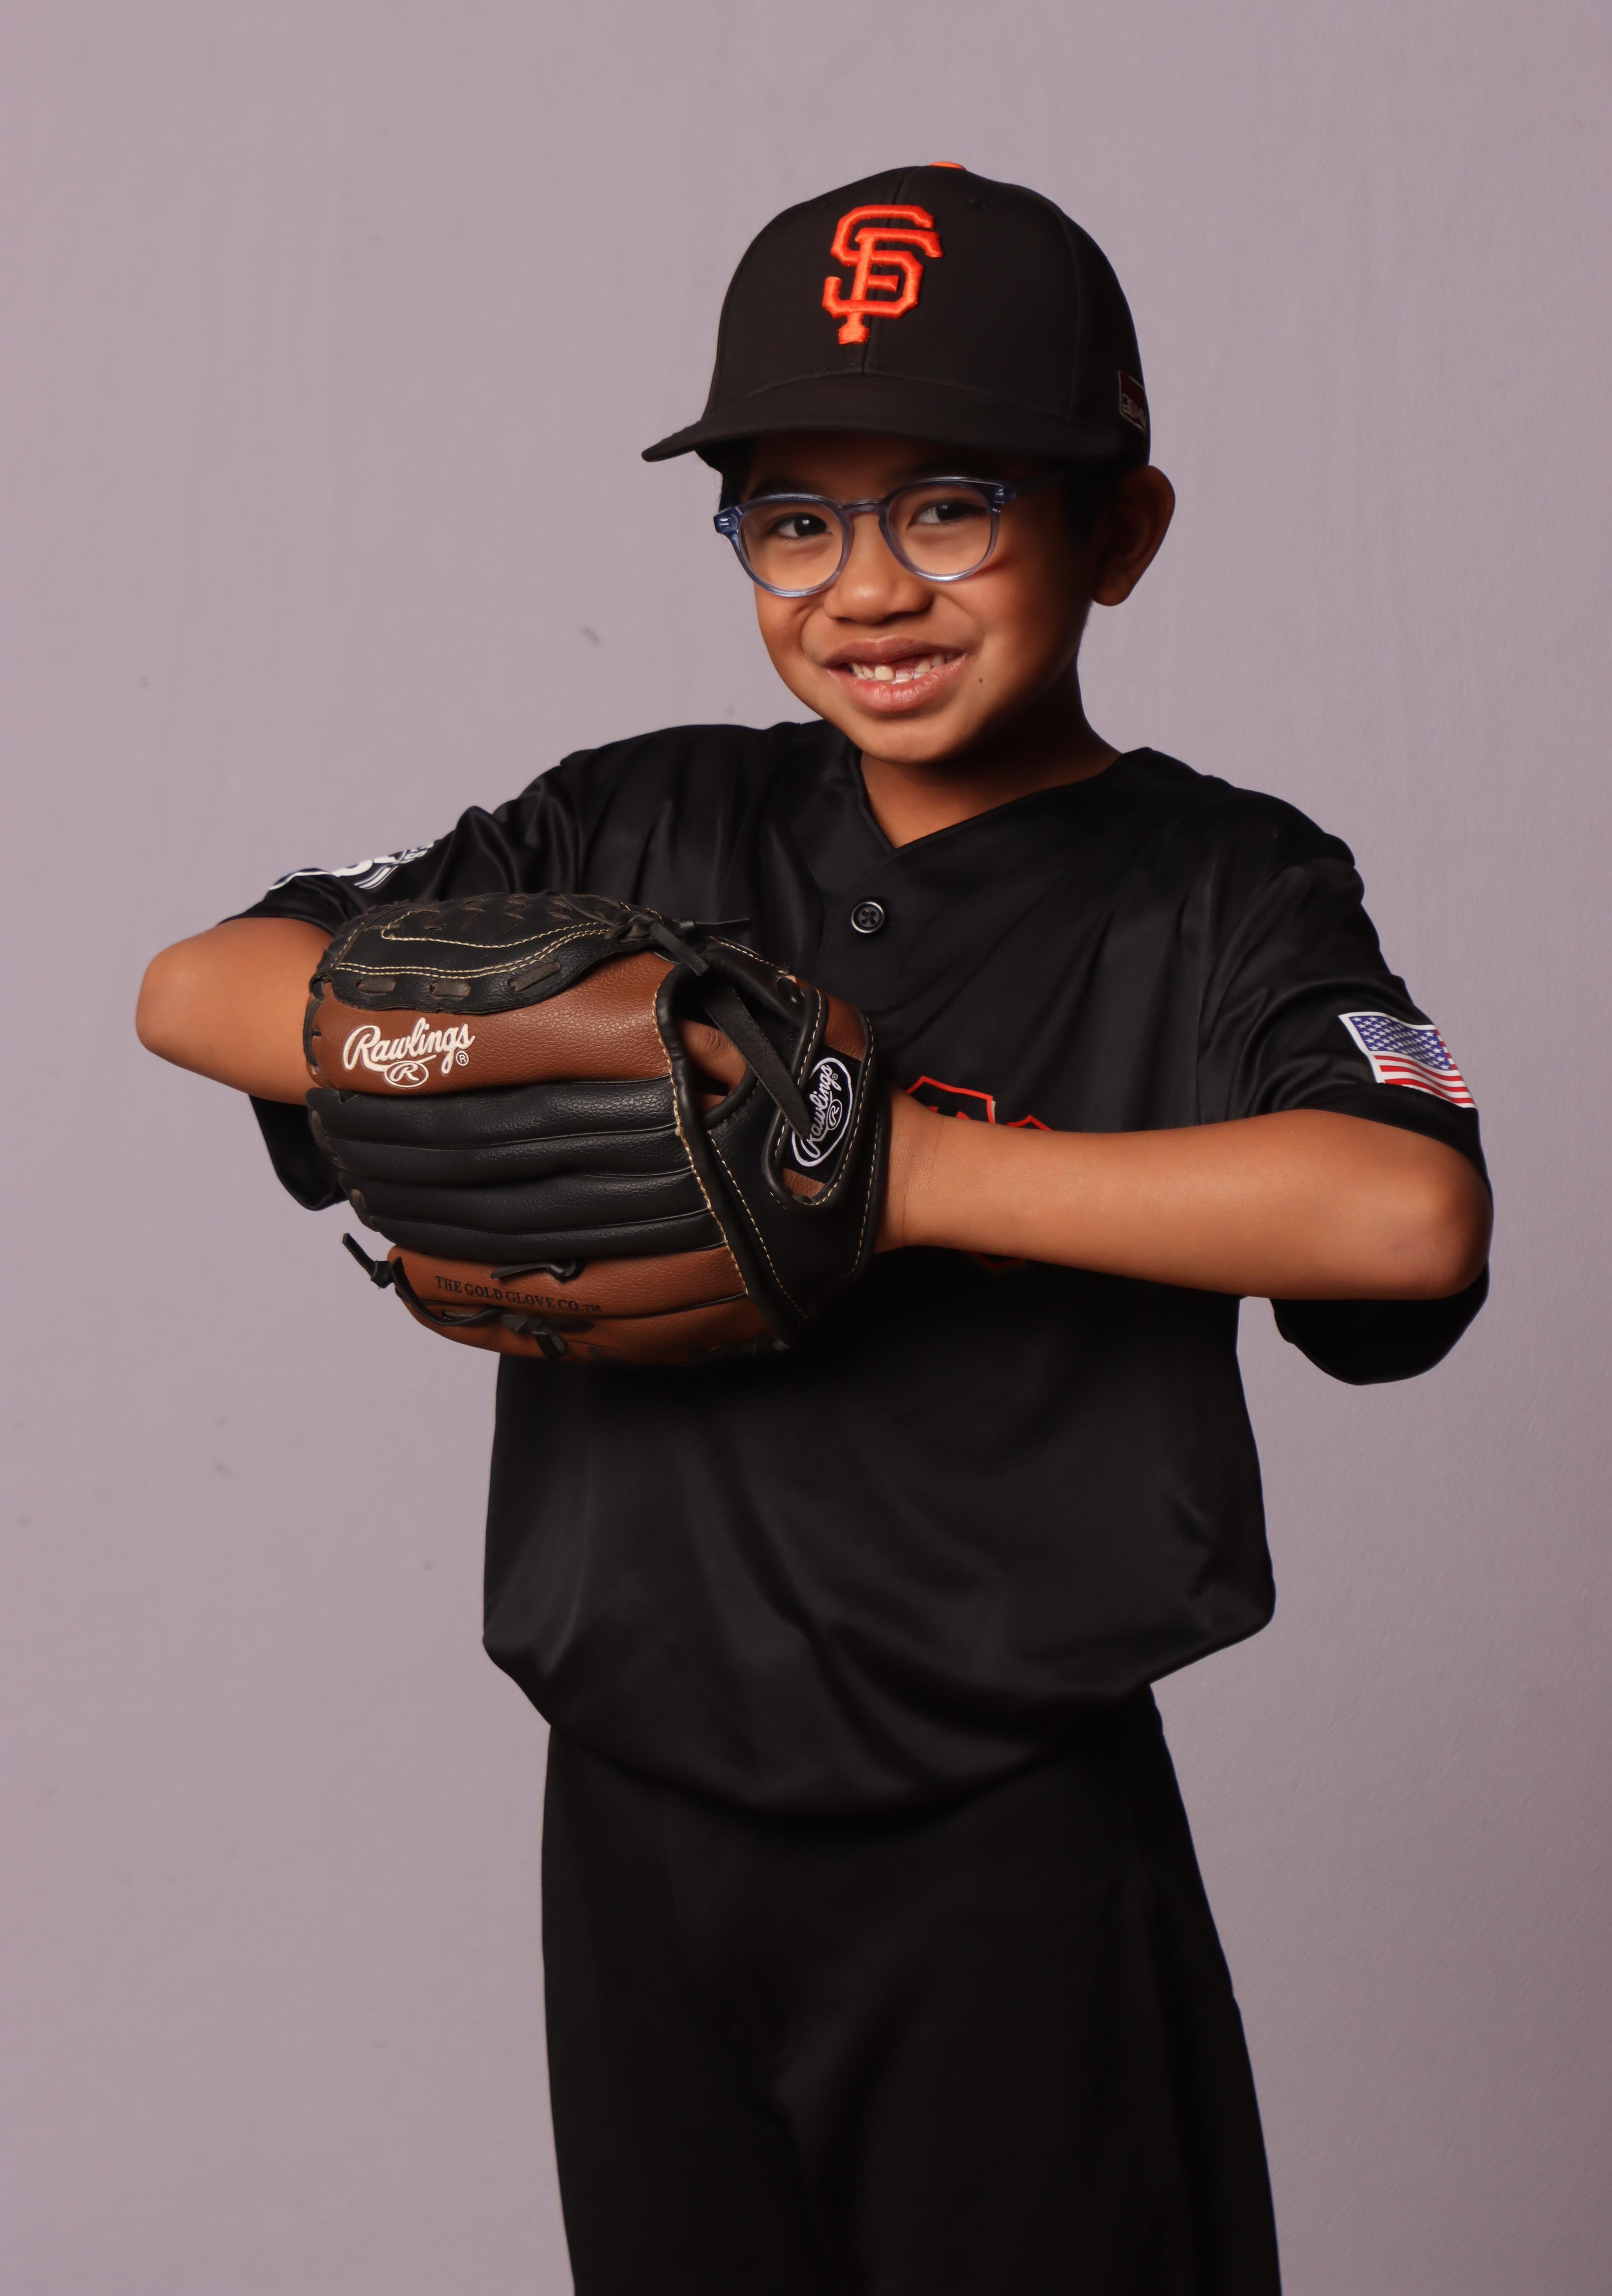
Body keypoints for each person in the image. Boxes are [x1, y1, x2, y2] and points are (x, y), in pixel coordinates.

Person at [137, 165, 1491, 2294]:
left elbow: (1404, 1217)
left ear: (1119, 531)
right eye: (790, 519)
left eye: (950, 506)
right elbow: (201, 985)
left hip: (1002, 1844)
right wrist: (487, 1048)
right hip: (631, 1822)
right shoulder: (641, 824)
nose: (865, 586)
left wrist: (896, 1174)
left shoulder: (1219, 882)